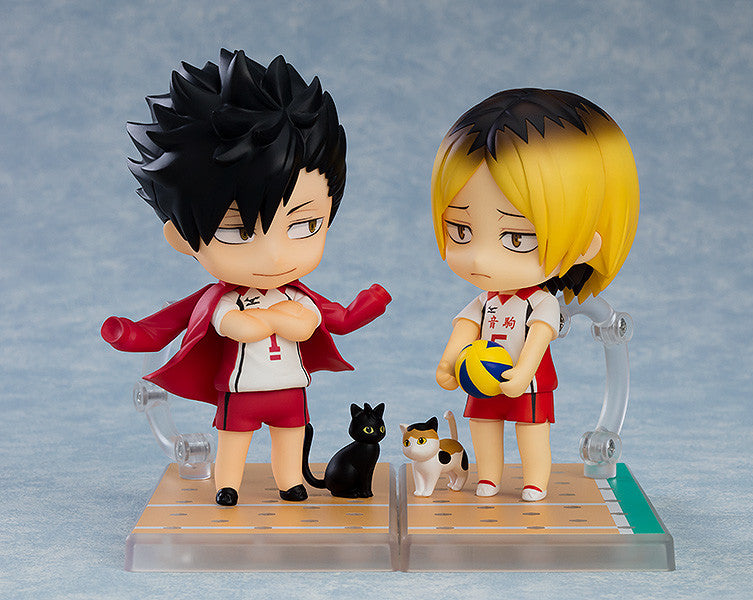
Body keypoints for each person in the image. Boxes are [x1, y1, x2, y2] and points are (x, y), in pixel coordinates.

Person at [102, 49, 390, 505]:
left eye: (304, 225)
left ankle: (290, 482)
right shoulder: (222, 300)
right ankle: (228, 484)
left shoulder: (299, 294)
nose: (275, 256)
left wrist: (369, 302)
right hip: (239, 389)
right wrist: (129, 333)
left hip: (289, 388)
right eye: (237, 232)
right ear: (182, 237)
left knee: (290, 436)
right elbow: (185, 323)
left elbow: (332, 318)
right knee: (234, 440)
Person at [431, 88, 638, 500]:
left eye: (517, 238)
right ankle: (489, 477)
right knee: (482, 426)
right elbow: (465, 326)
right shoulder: (486, 300)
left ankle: (534, 480)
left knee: (531, 431)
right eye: (461, 230)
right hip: (481, 373)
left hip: (526, 381)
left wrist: (524, 371)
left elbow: (541, 336)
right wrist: (448, 361)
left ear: (586, 242)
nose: (481, 258)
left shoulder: (539, 302)